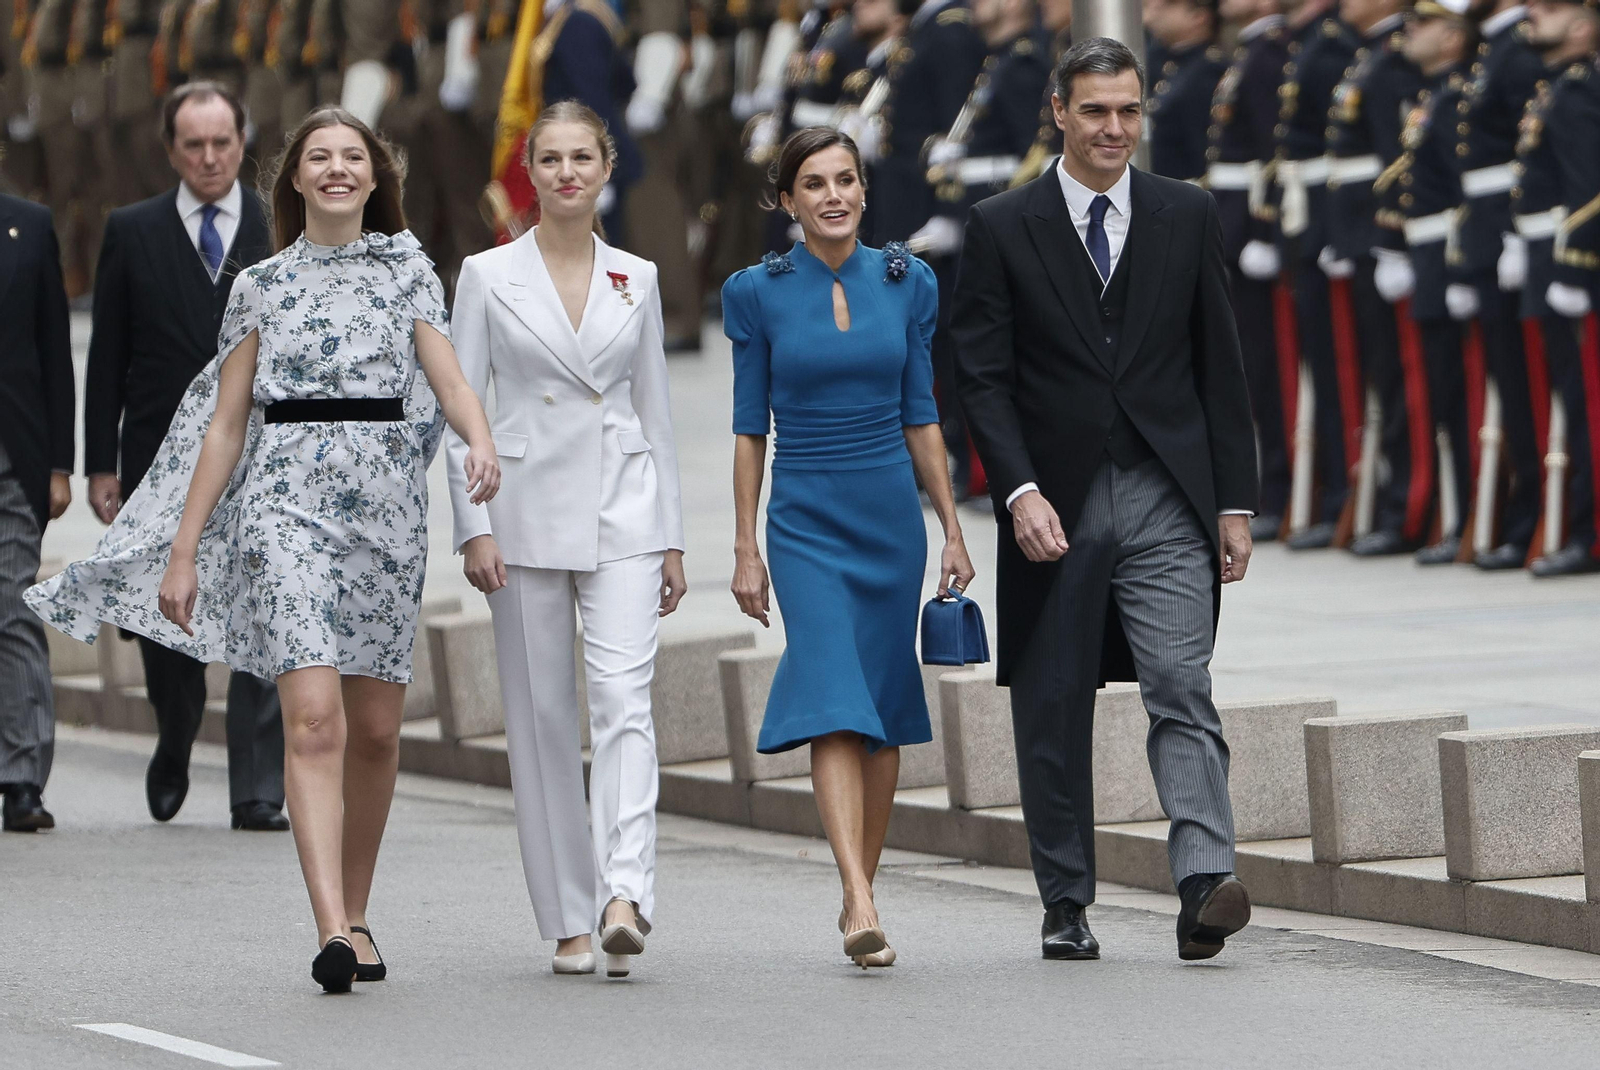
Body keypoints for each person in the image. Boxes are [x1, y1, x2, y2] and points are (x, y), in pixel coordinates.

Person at [28, 105, 501, 994]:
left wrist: (479, 439)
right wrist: (183, 551)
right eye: (318, 156)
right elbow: (224, 427)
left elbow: (449, 379)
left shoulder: (408, 270)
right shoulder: (260, 284)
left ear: (374, 176)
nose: (335, 168)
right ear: (294, 179)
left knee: (376, 732)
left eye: (351, 156)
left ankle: (358, 911)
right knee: (314, 718)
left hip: (386, 518)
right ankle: (330, 929)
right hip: (285, 507)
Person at [951, 37, 1259, 962]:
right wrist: (1017, 492)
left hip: (1167, 492)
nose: (1113, 128)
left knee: (1181, 683)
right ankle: (1065, 900)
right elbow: (982, 378)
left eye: (1128, 110)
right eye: (1094, 110)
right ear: (1059, 111)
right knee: (1052, 702)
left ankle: (1205, 880)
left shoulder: (1184, 212)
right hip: (1054, 502)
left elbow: (1220, 364)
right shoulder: (1002, 224)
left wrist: (1234, 502)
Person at [723, 127, 975, 968]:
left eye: (845, 180)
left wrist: (951, 528)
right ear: (787, 200)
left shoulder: (910, 282)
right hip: (803, 519)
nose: (832, 195)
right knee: (834, 693)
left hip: (889, 520)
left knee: (884, 707)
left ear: (865, 191)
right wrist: (746, 546)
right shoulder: (756, 292)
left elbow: (922, 414)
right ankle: (860, 895)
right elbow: (748, 429)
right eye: (813, 183)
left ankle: (858, 890)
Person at [447, 100, 687, 980]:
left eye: (582, 157)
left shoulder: (638, 277)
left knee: (624, 700)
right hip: (520, 512)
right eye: (549, 159)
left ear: (606, 167)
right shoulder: (486, 275)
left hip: (624, 507)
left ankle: (625, 894)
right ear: (530, 173)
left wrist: (671, 539)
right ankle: (568, 919)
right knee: (543, 718)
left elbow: (655, 411)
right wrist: (472, 528)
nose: (567, 173)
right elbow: (461, 411)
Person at [79, 82, 289, 833]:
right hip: (158, 453)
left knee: (264, 607)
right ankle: (176, 727)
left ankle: (257, 788)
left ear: (242, 142)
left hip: (261, 450)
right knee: (167, 620)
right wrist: (100, 464)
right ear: (171, 150)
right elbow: (108, 354)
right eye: (193, 145)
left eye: (222, 143)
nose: (209, 158)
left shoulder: (278, 225)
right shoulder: (132, 230)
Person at [1324, 0, 1431, 557]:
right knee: (1376, 376)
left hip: (1379, 236)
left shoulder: (1393, 60)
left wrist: (1391, 241)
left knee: (1395, 379)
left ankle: (1406, 507)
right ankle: (1392, 499)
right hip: (1357, 235)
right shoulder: (1370, 55)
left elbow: (1398, 159)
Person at [1374, 0, 1475, 565]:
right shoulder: (1432, 95)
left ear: (1455, 37)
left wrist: (1460, 268)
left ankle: (1469, 517)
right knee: (1439, 395)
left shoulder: (1457, 98)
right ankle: (1451, 517)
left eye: (1428, 22)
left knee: (1460, 398)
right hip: (1428, 257)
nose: (1411, 30)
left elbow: (1467, 191)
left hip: (1451, 260)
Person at [0, 192, 72, 832]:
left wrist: (58, 463)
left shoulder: (29, 225)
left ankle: (22, 777)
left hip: (12, 458)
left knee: (13, 607)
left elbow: (53, 347)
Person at [1209, 0, 1291, 540]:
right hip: (1231, 227)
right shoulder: (1250, 52)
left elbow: (1272, 154)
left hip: (1249, 232)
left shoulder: (1267, 57)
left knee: (1264, 370)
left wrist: (1263, 232)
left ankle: (1279, 491)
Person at [1533, 0, 1600, 576]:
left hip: (1587, 264)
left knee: (1589, 407)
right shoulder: (1572, 83)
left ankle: (1590, 533)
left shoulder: (1581, 89)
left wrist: (1575, 263)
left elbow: (1589, 185)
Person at [1142, 0, 1227, 184]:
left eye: (1171, 5)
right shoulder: (1173, 65)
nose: (1158, 9)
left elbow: (1203, 145)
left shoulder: (1208, 69)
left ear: (1199, 17)